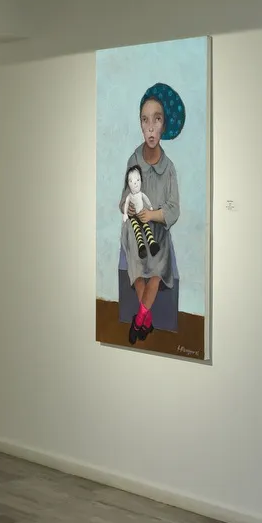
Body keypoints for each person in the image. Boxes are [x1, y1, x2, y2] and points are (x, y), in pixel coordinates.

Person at [119, 83, 184, 344]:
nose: (150, 127)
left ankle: (140, 320)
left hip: (157, 230)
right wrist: (130, 208)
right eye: (145, 120)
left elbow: (174, 209)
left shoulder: (169, 169)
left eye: (156, 120)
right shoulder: (133, 160)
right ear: (140, 124)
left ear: (163, 126)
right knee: (136, 263)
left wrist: (154, 215)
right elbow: (123, 198)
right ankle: (145, 321)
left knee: (157, 267)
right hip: (136, 230)